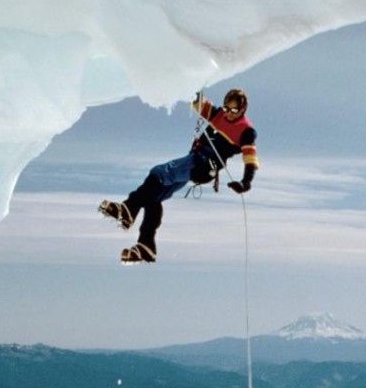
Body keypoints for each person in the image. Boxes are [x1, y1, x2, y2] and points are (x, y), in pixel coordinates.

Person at [99, 88, 259, 264]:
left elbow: (250, 159)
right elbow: (196, 100)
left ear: (243, 110)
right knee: (154, 197)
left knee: (159, 173)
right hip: (195, 160)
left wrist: (245, 183)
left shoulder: (246, 131)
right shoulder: (218, 114)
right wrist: (187, 84)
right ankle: (146, 245)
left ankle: (128, 209)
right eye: (226, 108)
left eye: (234, 110)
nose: (228, 113)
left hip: (203, 164)